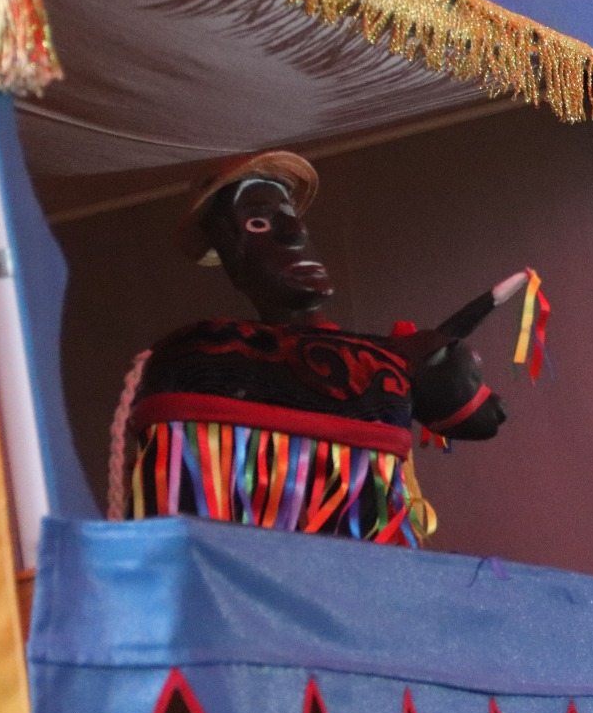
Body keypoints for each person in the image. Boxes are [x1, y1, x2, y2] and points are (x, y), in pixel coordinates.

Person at [114, 151, 525, 545]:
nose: (297, 232)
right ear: (229, 250)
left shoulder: (377, 361)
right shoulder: (195, 354)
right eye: (258, 223)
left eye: (291, 217)